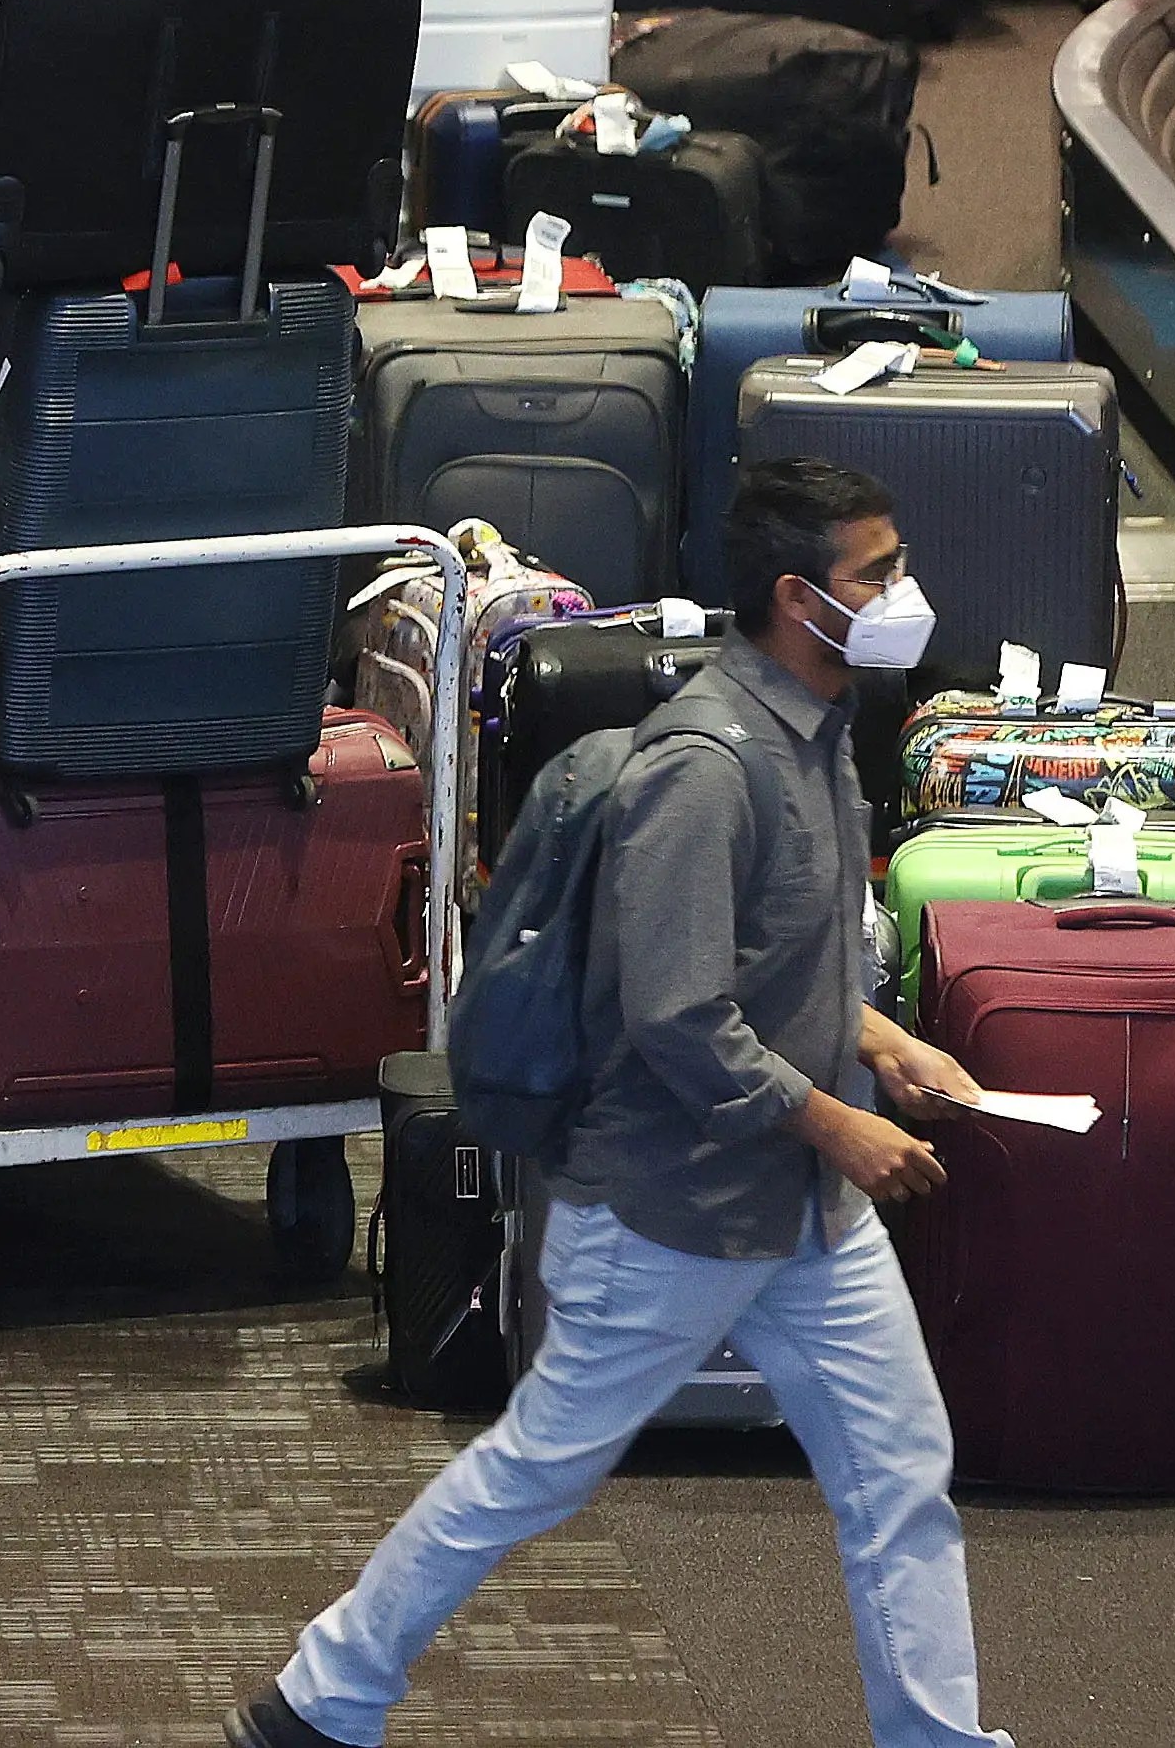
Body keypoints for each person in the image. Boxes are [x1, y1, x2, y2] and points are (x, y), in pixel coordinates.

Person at [240, 458, 1011, 1748]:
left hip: (799, 1215)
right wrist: (840, 1123)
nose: (902, 593)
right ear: (798, 596)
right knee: (537, 1467)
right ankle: (321, 1696)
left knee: (899, 1474)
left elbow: (783, 956)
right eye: (876, 572)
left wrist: (882, 1042)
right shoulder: (704, 768)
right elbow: (679, 1013)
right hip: (665, 1212)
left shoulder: (821, 735)